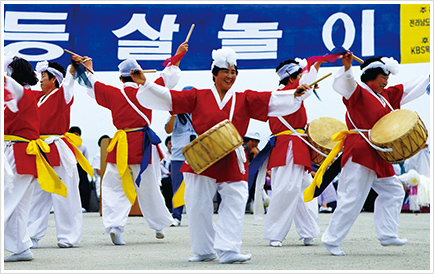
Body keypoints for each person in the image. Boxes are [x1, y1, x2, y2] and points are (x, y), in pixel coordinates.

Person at [132, 47, 311, 263]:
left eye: (234, 72)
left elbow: (270, 100)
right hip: (203, 154)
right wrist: (145, 83)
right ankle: (204, 250)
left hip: (232, 156)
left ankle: (229, 249)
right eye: (225, 71)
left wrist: (294, 94)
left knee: (235, 200)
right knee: (197, 203)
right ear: (214, 73)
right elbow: (170, 98)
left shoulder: (244, 98)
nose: (230, 76)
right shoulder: (198, 95)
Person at [76, 41, 188, 245]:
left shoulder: (113, 93)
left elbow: (92, 84)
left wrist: (89, 68)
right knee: (150, 185)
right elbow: (168, 76)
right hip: (143, 143)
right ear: (138, 74)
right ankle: (158, 226)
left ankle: (115, 227)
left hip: (120, 143)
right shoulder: (147, 89)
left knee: (113, 185)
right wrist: (178, 55)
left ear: (121, 78)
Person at [318, 53, 430, 256]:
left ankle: (387, 234)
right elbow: (346, 84)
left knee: (394, 191)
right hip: (360, 149)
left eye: (387, 78)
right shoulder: (357, 93)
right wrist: (346, 68)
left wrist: (428, 78)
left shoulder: (386, 96)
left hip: (377, 151)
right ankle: (331, 239)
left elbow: (408, 88)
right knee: (352, 197)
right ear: (370, 75)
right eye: (383, 77)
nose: (386, 81)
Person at [27, 59, 93, 249]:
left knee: (65, 194)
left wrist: (74, 67)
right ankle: (31, 235)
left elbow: (70, 80)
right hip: (40, 148)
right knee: (38, 194)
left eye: (43, 77)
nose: (40, 80)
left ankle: (68, 236)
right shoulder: (38, 98)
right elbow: (18, 91)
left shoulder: (61, 94)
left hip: (57, 147)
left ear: (54, 79)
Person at [259, 58, 321, 248]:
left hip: (297, 145)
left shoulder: (293, 93)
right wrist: (321, 61)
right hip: (288, 146)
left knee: (304, 189)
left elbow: (310, 78)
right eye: (299, 76)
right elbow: (310, 79)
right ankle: (275, 233)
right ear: (291, 78)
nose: (303, 79)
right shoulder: (285, 95)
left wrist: (320, 62)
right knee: (287, 189)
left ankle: (308, 231)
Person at [3, 57, 42, 262]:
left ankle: (20, 247)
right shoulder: (22, 94)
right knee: (18, 205)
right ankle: (21, 248)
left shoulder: (19, 93)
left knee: (6, 200)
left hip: (17, 153)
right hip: (20, 153)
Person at [164, 101, 198, 227]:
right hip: (178, 156)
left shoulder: (199, 113)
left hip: (196, 155)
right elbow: (168, 130)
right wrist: (174, 113)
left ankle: (195, 217)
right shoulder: (176, 115)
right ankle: (176, 216)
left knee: (196, 187)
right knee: (177, 187)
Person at [68, 126, 91, 212]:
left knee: (83, 186)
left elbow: (86, 160)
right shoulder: (66, 145)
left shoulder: (83, 147)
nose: (76, 136)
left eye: (77, 134)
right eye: (74, 134)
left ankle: (84, 205)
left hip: (80, 167)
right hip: (70, 167)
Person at [160, 136, 173, 213]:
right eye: (169, 143)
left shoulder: (178, 155)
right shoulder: (164, 155)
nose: (171, 145)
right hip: (167, 176)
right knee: (167, 186)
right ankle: (168, 207)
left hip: (176, 177)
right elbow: (160, 165)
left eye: (172, 143)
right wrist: (167, 173)